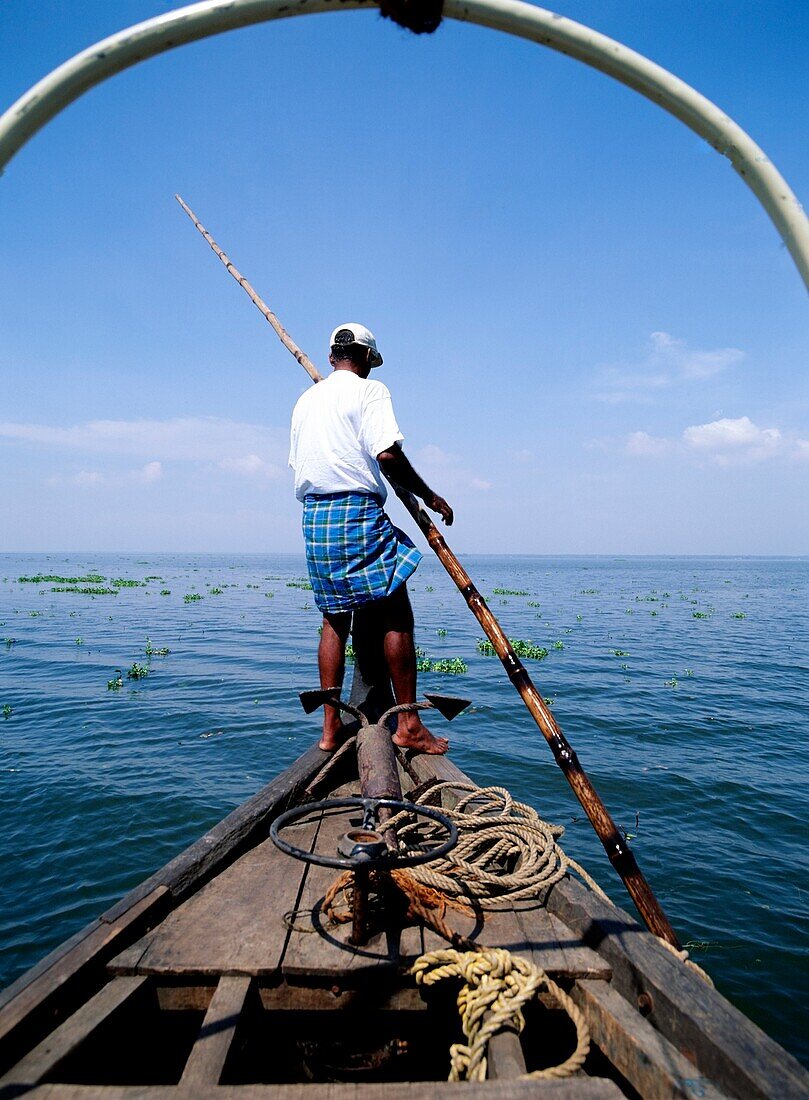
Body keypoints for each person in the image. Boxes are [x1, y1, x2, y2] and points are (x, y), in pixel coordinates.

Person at [289, 323, 453, 754]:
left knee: (334, 620)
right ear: (364, 358)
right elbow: (386, 455)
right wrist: (429, 496)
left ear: (331, 358)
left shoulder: (306, 400)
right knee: (396, 610)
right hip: (355, 511)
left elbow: (302, 464)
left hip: (314, 517)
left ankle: (329, 729)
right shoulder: (371, 391)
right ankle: (409, 724)